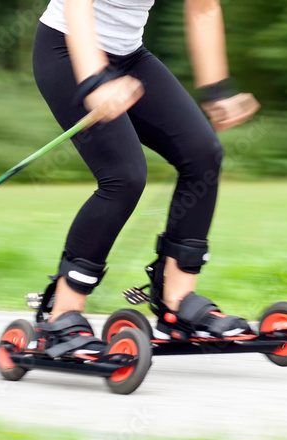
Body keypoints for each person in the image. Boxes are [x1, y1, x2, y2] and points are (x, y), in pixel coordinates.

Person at [32, 0, 261, 357]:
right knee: (124, 177)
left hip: (130, 57)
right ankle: (62, 315)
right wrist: (96, 80)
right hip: (67, 48)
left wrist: (217, 91)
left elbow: (203, 8)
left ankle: (177, 300)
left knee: (203, 154)